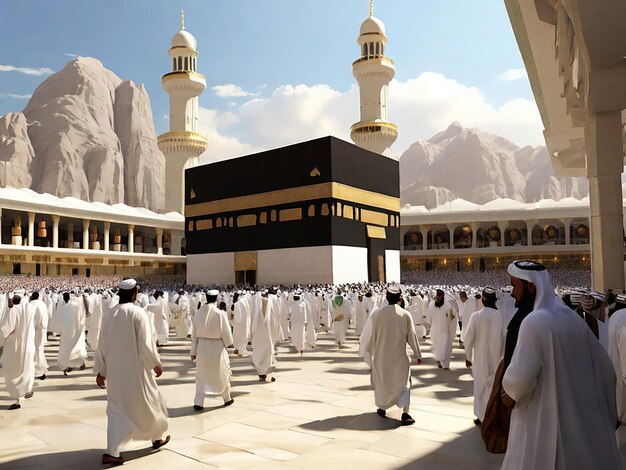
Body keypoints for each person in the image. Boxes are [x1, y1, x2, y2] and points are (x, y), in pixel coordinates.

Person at [501, 260, 620, 469]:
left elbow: (520, 380)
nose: (511, 293)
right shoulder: (571, 318)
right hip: (582, 426)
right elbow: (607, 372)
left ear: (531, 286)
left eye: (514, 285)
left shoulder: (534, 322)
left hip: (542, 423)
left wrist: (508, 393)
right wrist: (608, 415)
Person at [94, 279, 170, 466]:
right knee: (149, 401)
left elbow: (101, 345)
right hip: (136, 372)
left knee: (117, 410)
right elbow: (145, 343)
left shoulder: (110, 314)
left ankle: (113, 451)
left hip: (116, 373)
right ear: (134, 293)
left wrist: (101, 371)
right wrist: (155, 364)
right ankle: (156, 436)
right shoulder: (138, 313)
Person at [360, 285, 421, 425]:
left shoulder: (376, 315)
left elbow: (368, 336)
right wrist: (418, 354)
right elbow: (412, 336)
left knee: (383, 383)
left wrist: (367, 352)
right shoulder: (405, 315)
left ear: (387, 298)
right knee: (404, 384)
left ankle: (382, 407)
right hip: (400, 358)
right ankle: (405, 414)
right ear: (399, 298)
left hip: (381, 358)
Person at [463, 287, 503, 425]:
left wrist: (468, 356)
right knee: (493, 388)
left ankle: (481, 416)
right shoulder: (500, 316)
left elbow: (468, 339)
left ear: (483, 299)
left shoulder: (476, 316)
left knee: (480, 387)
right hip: (497, 360)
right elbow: (504, 338)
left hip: (479, 360)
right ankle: (492, 417)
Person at [190, 289, 234, 410]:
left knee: (202, 374)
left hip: (202, 348)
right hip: (217, 348)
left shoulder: (198, 313)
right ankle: (227, 398)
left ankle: (199, 401)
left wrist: (193, 351)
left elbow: (194, 335)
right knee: (221, 373)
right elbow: (226, 333)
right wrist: (229, 343)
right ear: (216, 299)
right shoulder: (220, 313)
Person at [0, 294, 35, 410]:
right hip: (29, 346)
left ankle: (18, 399)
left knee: (13, 372)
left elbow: (6, 329)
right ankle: (28, 389)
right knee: (26, 369)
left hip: (15, 347)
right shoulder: (29, 308)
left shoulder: (14, 310)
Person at [56, 292, 87, 375]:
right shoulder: (76, 306)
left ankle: (69, 365)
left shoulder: (62, 308)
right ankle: (78, 363)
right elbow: (82, 317)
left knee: (67, 348)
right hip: (76, 329)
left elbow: (58, 321)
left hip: (67, 331)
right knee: (77, 346)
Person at [426, 289, 456, 369]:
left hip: (445, 330)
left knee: (446, 348)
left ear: (443, 296)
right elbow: (429, 317)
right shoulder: (432, 304)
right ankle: (439, 360)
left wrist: (451, 329)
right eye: (437, 296)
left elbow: (451, 318)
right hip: (435, 330)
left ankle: (445, 365)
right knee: (437, 347)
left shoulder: (447, 305)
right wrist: (428, 325)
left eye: (440, 296)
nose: (438, 297)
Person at [30, 291, 49, 380]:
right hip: (42, 329)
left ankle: (38, 371)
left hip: (33, 329)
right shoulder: (42, 304)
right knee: (39, 349)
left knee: (34, 349)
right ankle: (41, 369)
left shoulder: (31, 304)